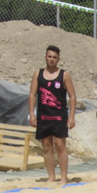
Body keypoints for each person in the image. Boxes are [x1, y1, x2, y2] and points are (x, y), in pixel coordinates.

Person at [29, 45, 77, 184]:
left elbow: (72, 96)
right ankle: (51, 176)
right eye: (49, 57)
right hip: (43, 116)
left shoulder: (64, 75)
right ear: (45, 57)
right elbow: (32, 94)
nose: (51, 59)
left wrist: (72, 116)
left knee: (60, 145)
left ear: (58, 59)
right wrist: (32, 114)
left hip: (59, 116)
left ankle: (63, 177)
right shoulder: (38, 74)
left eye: (54, 57)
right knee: (46, 146)